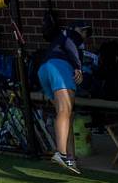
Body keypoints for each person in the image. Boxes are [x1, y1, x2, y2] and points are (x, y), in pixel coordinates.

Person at [38, 20, 93, 174]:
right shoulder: (72, 35)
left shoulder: (60, 39)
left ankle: (71, 159)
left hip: (45, 70)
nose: (84, 35)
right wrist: (78, 67)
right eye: (84, 31)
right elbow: (70, 45)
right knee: (65, 112)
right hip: (60, 68)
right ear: (76, 29)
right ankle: (61, 154)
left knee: (67, 115)